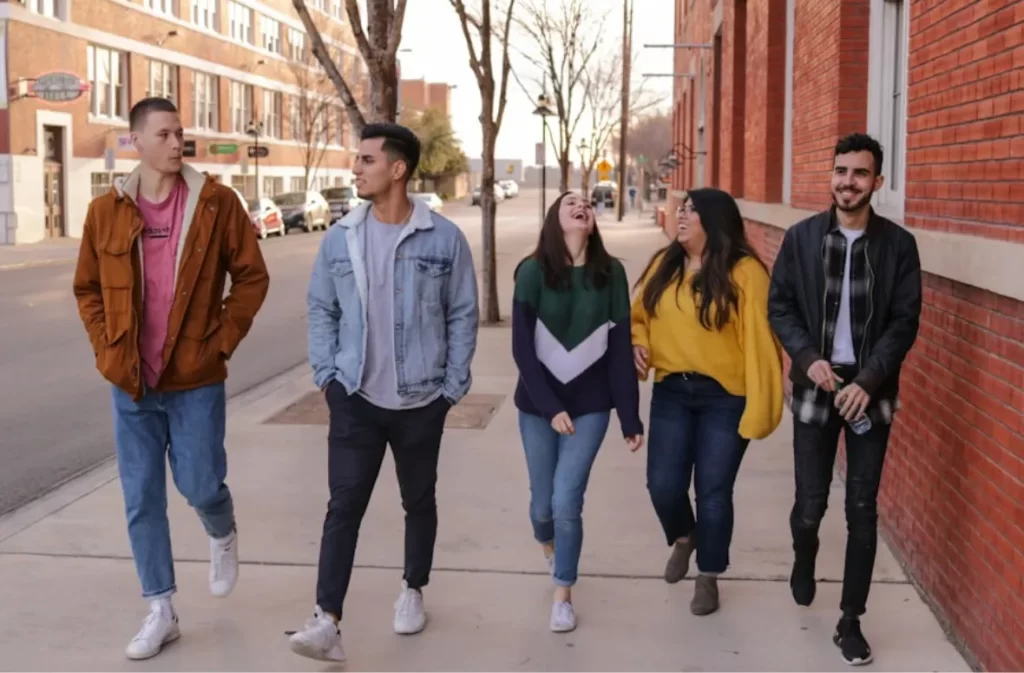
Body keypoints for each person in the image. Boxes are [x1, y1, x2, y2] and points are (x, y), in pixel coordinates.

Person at [72, 97, 270, 660]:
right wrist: (107, 346)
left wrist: (222, 340)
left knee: (201, 484)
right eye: (163, 133)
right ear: (135, 141)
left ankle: (221, 530)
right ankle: (160, 608)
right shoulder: (106, 211)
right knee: (141, 497)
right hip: (131, 382)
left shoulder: (215, 203)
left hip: (195, 379)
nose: (175, 142)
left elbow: (252, 278)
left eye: (180, 132)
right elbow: (87, 288)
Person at [289, 122, 479, 663]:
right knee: (343, 505)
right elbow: (322, 308)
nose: (356, 169)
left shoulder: (443, 238)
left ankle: (413, 588)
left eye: (366, 160)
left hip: (422, 400)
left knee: (417, 500)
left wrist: (451, 387)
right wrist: (327, 377)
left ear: (397, 169)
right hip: (355, 397)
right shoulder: (340, 236)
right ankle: (327, 619)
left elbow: (463, 312)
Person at [768, 132, 921, 666]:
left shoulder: (898, 246)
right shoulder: (803, 238)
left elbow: (904, 323)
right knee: (810, 506)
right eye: (840, 171)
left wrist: (869, 380)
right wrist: (807, 357)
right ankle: (803, 557)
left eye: (859, 173)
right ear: (831, 175)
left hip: (869, 390)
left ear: (876, 182)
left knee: (862, 509)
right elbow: (780, 306)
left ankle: (850, 620)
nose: (847, 182)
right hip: (816, 383)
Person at [631, 187, 783, 616]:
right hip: (672, 391)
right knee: (662, 484)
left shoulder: (746, 272)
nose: (681, 215)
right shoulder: (665, 265)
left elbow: (761, 343)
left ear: (714, 221)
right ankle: (684, 536)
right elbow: (638, 317)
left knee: (713, 492)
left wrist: (762, 406)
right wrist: (637, 344)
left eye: (692, 211)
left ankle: (709, 575)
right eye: (682, 208)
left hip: (726, 397)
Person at [511, 192, 644, 633]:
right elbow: (522, 351)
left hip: (590, 407)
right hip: (537, 406)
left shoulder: (612, 274)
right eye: (570, 202)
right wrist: (549, 409)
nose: (581, 205)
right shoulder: (531, 273)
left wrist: (629, 417)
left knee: (567, 500)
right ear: (555, 218)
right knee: (541, 508)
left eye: (587, 203)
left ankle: (563, 591)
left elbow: (621, 351)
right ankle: (550, 545)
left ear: (592, 221)